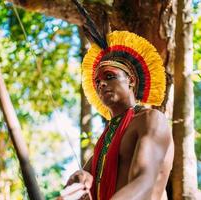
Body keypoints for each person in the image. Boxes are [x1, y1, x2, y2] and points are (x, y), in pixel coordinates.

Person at [58, 31, 174, 200]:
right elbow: (78, 190)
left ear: (131, 80)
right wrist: (76, 182)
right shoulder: (105, 141)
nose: (101, 84)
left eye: (110, 76)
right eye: (97, 82)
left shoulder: (151, 119)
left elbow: (145, 181)